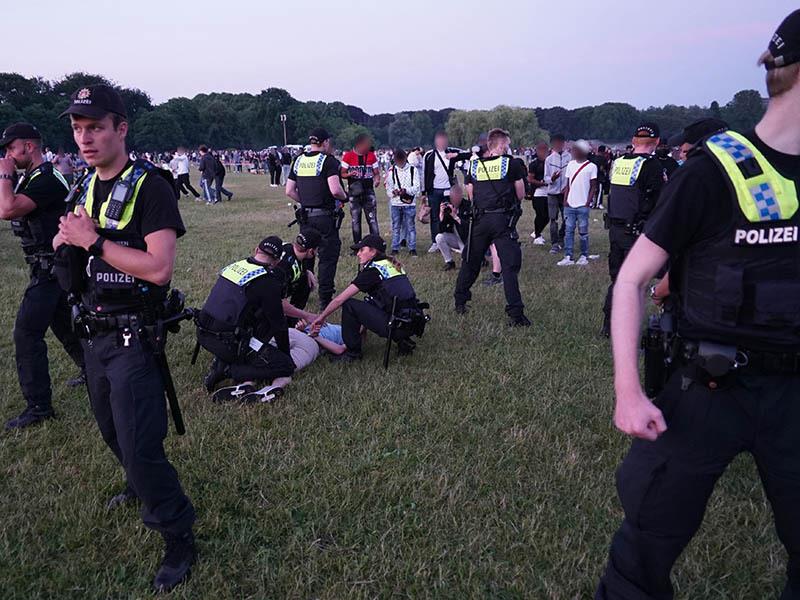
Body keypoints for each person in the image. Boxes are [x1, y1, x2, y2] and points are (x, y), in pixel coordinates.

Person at [595, 10, 800, 597]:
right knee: (645, 543)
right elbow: (633, 281)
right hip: (708, 386)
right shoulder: (714, 172)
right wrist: (628, 391)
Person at [53, 84, 195, 592]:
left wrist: (93, 240)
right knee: (112, 432)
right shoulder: (85, 185)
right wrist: (67, 238)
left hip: (134, 336)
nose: (85, 139)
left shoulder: (151, 187)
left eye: (95, 127)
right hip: (93, 332)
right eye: (77, 129)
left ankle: (178, 531)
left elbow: (159, 269)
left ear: (121, 129)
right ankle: (140, 486)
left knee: (140, 445)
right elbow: (75, 242)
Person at [0, 123, 85, 430]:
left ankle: (39, 407)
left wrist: (5, 173)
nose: (8, 154)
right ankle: (92, 369)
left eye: (12, 148)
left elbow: (7, 209)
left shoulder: (47, 179)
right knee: (63, 323)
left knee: (26, 334)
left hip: (52, 267)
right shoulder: (33, 178)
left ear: (29, 146)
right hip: (48, 266)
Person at [196, 235, 296, 400]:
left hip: (203, 332)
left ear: (256, 250)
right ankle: (228, 370)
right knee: (285, 366)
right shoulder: (268, 281)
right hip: (228, 343)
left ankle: (223, 363)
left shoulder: (237, 266)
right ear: (277, 261)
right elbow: (278, 324)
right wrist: (286, 356)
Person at [453, 128, 530, 327]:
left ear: (489, 145)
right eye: (508, 145)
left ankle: (460, 301)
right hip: (502, 221)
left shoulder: (474, 165)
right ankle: (516, 314)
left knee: (471, 262)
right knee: (509, 267)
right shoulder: (511, 164)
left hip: (479, 221)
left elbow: (470, 194)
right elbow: (520, 194)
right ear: (503, 145)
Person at [309, 234, 425, 363]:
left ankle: (352, 354)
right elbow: (381, 300)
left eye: (361, 250)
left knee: (349, 305)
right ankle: (404, 342)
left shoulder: (373, 271)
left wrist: (321, 318)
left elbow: (339, 300)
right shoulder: (391, 264)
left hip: (396, 326)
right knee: (377, 302)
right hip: (412, 323)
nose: (358, 254)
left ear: (373, 251)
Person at [600, 122, 664, 337]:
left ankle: (608, 325)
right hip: (636, 231)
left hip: (615, 229)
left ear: (634, 141)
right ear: (656, 142)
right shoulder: (652, 166)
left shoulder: (618, 163)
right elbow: (658, 201)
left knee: (618, 279)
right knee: (634, 283)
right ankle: (627, 330)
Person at [285, 127, 347, 309]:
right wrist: (346, 197)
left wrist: (305, 201)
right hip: (325, 218)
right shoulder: (329, 162)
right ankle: (325, 300)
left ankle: (303, 289)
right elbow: (335, 189)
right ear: (325, 142)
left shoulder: (298, 160)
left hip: (306, 217)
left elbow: (289, 190)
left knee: (305, 256)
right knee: (327, 258)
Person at [422, 131, 472, 252]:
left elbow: (469, 155)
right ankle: (435, 241)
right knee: (435, 216)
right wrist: (424, 192)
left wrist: (455, 155)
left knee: (451, 213)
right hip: (434, 190)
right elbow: (424, 174)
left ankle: (452, 239)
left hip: (449, 189)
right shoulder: (429, 155)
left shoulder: (451, 151)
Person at [557, 140, 598, 266]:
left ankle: (583, 255)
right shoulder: (570, 165)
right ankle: (568, 256)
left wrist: (587, 202)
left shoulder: (592, 167)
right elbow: (568, 184)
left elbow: (593, 187)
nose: (573, 152)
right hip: (570, 204)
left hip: (582, 205)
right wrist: (565, 200)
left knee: (583, 232)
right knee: (568, 231)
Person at [274, 227, 322, 324]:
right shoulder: (287, 268)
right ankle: (290, 322)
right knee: (304, 284)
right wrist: (306, 315)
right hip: (265, 300)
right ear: (310, 251)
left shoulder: (287, 247)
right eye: (317, 249)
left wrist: (307, 272)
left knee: (305, 280)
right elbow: (277, 300)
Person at [341, 133, 381, 246]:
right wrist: (350, 174)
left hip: (369, 192)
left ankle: (376, 244)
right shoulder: (348, 156)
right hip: (354, 193)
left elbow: (376, 173)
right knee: (355, 220)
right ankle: (357, 244)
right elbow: (342, 174)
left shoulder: (371, 156)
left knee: (372, 219)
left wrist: (377, 180)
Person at [385, 148, 419, 256]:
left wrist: (406, 190)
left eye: (401, 161)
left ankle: (412, 248)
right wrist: (393, 192)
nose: (399, 164)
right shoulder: (392, 171)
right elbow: (388, 188)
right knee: (396, 227)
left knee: (410, 227)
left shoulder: (413, 170)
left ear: (405, 159)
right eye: (397, 162)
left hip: (409, 203)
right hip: (395, 203)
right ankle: (395, 247)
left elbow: (417, 187)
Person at [544, 134, 571, 253]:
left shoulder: (570, 158)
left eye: (561, 143)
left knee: (567, 217)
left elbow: (572, 175)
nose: (558, 145)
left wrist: (568, 187)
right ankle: (554, 243)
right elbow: (546, 178)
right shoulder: (549, 159)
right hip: (553, 193)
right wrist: (552, 179)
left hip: (565, 193)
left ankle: (562, 238)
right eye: (556, 143)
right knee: (553, 219)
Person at [435, 184, 470, 271]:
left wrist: (455, 216)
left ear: (460, 196)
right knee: (439, 237)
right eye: (452, 198)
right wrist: (441, 215)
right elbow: (441, 230)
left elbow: (468, 228)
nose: (454, 200)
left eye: (455, 197)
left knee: (466, 265)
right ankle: (449, 262)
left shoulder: (468, 206)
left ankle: (480, 259)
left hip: (467, 240)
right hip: (455, 238)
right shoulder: (449, 207)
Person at [528, 141, 550, 244]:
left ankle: (537, 231)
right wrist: (542, 183)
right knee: (540, 214)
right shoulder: (534, 164)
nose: (543, 152)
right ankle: (537, 236)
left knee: (548, 216)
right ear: (536, 151)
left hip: (549, 192)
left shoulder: (550, 163)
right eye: (540, 150)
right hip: (538, 192)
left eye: (545, 149)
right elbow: (530, 179)